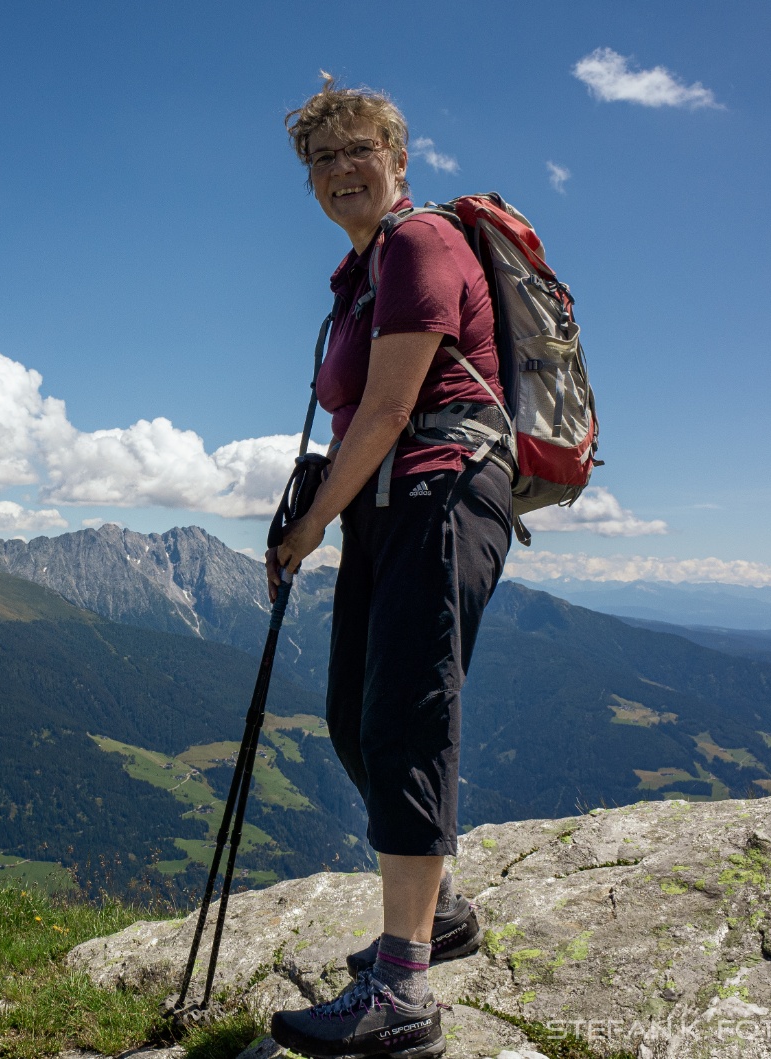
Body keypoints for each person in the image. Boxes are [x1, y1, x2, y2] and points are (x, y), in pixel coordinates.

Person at [265, 76, 513, 1059]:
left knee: (406, 719)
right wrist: (324, 515)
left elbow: (387, 410)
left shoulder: (419, 245)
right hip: (384, 510)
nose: (338, 171)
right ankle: (436, 913)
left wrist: (303, 530)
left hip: (440, 495)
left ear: (398, 159)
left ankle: (403, 991)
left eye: (356, 150)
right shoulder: (357, 275)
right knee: (351, 717)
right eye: (320, 159)